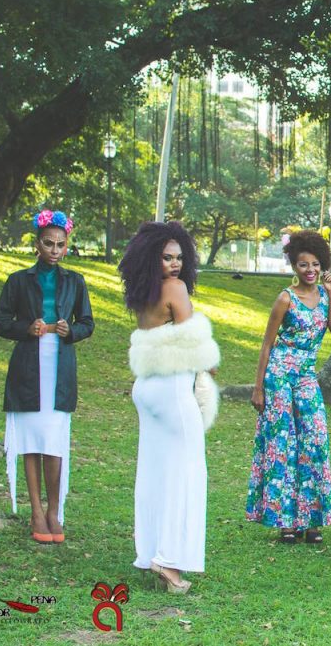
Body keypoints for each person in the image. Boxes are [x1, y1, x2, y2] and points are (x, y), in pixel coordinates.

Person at [121, 221, 220, 594]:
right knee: (185, 476)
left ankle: (151, 551)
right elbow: (198, 346)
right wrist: (210, 364)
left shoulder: (142, 292)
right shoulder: (175, 290)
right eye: (167, 258)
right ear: (153, 257)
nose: (175, 266)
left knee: (154, 474)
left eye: (179, 258)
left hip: (147, 389)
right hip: (172, 393)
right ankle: (170, 562)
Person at [0, 210, 93, 544]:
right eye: (48, 243)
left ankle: (54, 510)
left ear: (67, 246)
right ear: (37, 244)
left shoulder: (74, 281)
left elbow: (87, 323)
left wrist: (70, 330)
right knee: (31, 441)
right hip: (27, 366)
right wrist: (26, 328)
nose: (54, 249)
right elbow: (0, 321)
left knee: (53, 441)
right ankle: (35, 510)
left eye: (60, 245)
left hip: (60, 365)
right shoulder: (18, 281)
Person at [246, 230, 331, 544]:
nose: (310, 269)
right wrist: (258, 387)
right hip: (278, 375)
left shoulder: (326, 295)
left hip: (305, 377)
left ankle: (312, 519)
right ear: (294, 266)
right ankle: (286, 521)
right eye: (303, 264)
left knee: (314, 440)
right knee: (282, 446)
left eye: (315, 263)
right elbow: (266, 344)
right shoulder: (285, 298)